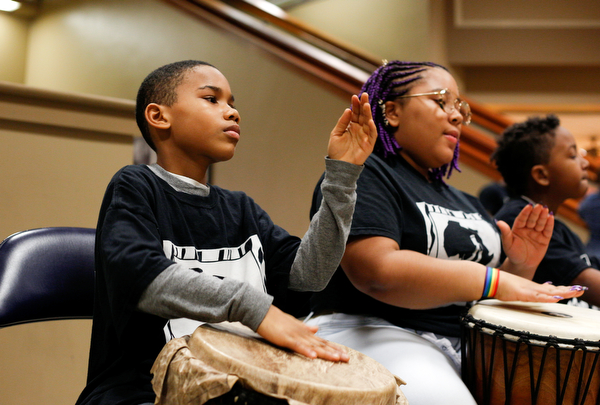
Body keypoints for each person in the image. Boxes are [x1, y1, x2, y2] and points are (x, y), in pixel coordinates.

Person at [75, 60, 378, 405]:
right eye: (212, 99)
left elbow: (307, 276)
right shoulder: (135, 186)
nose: (232, 112)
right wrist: (254, 308)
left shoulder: (240, 209)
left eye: (233, 103)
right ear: (159, 116)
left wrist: (343, 175)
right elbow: (140, 277)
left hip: (238, 391)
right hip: (143, 391)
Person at [305, 60, 585, 405]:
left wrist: (519, 265)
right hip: (374, 328)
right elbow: (376, 272)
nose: (456, 117)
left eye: (460, 109)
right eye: (441, 101)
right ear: (392, 111)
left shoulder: (466, 201)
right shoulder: (365, 174)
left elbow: (484, 292)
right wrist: (494, 279)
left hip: (463, 339)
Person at [493, 114, 600, 308]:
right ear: (542, 175)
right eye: (573, 155)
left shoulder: (561, 229)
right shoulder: (522, 220)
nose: (585, 163)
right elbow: (591, 286)